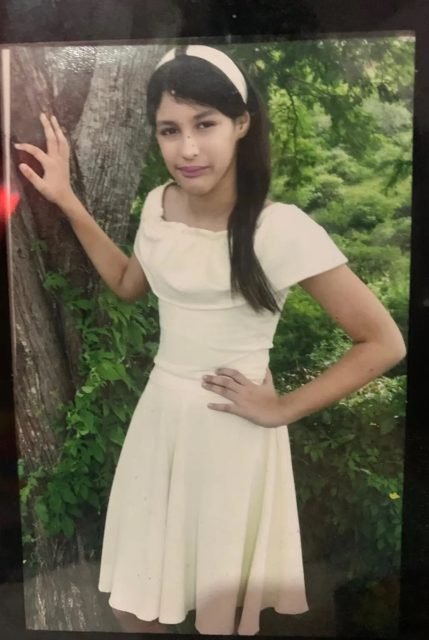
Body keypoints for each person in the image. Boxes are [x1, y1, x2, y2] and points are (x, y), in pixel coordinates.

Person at [14, 44, 406, 636]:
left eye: (205, 124)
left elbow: (382, 341)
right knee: (134, 604)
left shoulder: (279, 229)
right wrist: (68, 201)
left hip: (231, 430)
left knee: (216, 609)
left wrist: (281, 409)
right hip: (160, 423)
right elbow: (127, 284)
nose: (188, 149)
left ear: (241, 123)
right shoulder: (159, 205)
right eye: (169, 130)